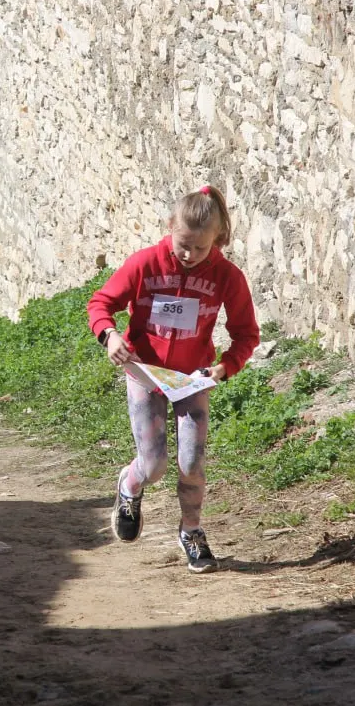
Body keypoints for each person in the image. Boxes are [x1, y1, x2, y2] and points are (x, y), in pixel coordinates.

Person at [87, 185, 259, 574]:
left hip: (190, 379)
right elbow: (101, 303)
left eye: (201, 248)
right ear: (170, 226)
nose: (190, 255)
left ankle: (192, 531)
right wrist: (109, 336)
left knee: (192, 462)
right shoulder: (144, 263)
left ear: (217, 239)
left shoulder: (227, 276)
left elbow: (247, 334)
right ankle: (130, 485)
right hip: (145, 373)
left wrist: (225, 367)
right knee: (154, 466)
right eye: (183, 245)